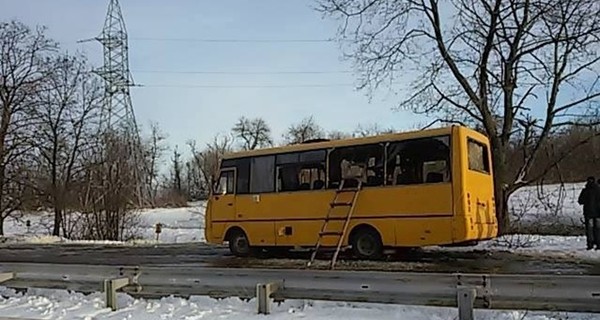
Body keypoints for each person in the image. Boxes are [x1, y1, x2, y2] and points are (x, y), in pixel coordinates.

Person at [578, 177, 600, 250]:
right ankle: (598, 243)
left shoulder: (585, 190)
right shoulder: (598, 190)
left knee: (590, 229)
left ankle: (590, 244)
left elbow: (580, 201)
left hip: (588, 213)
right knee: (598, 228)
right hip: (598, 213)